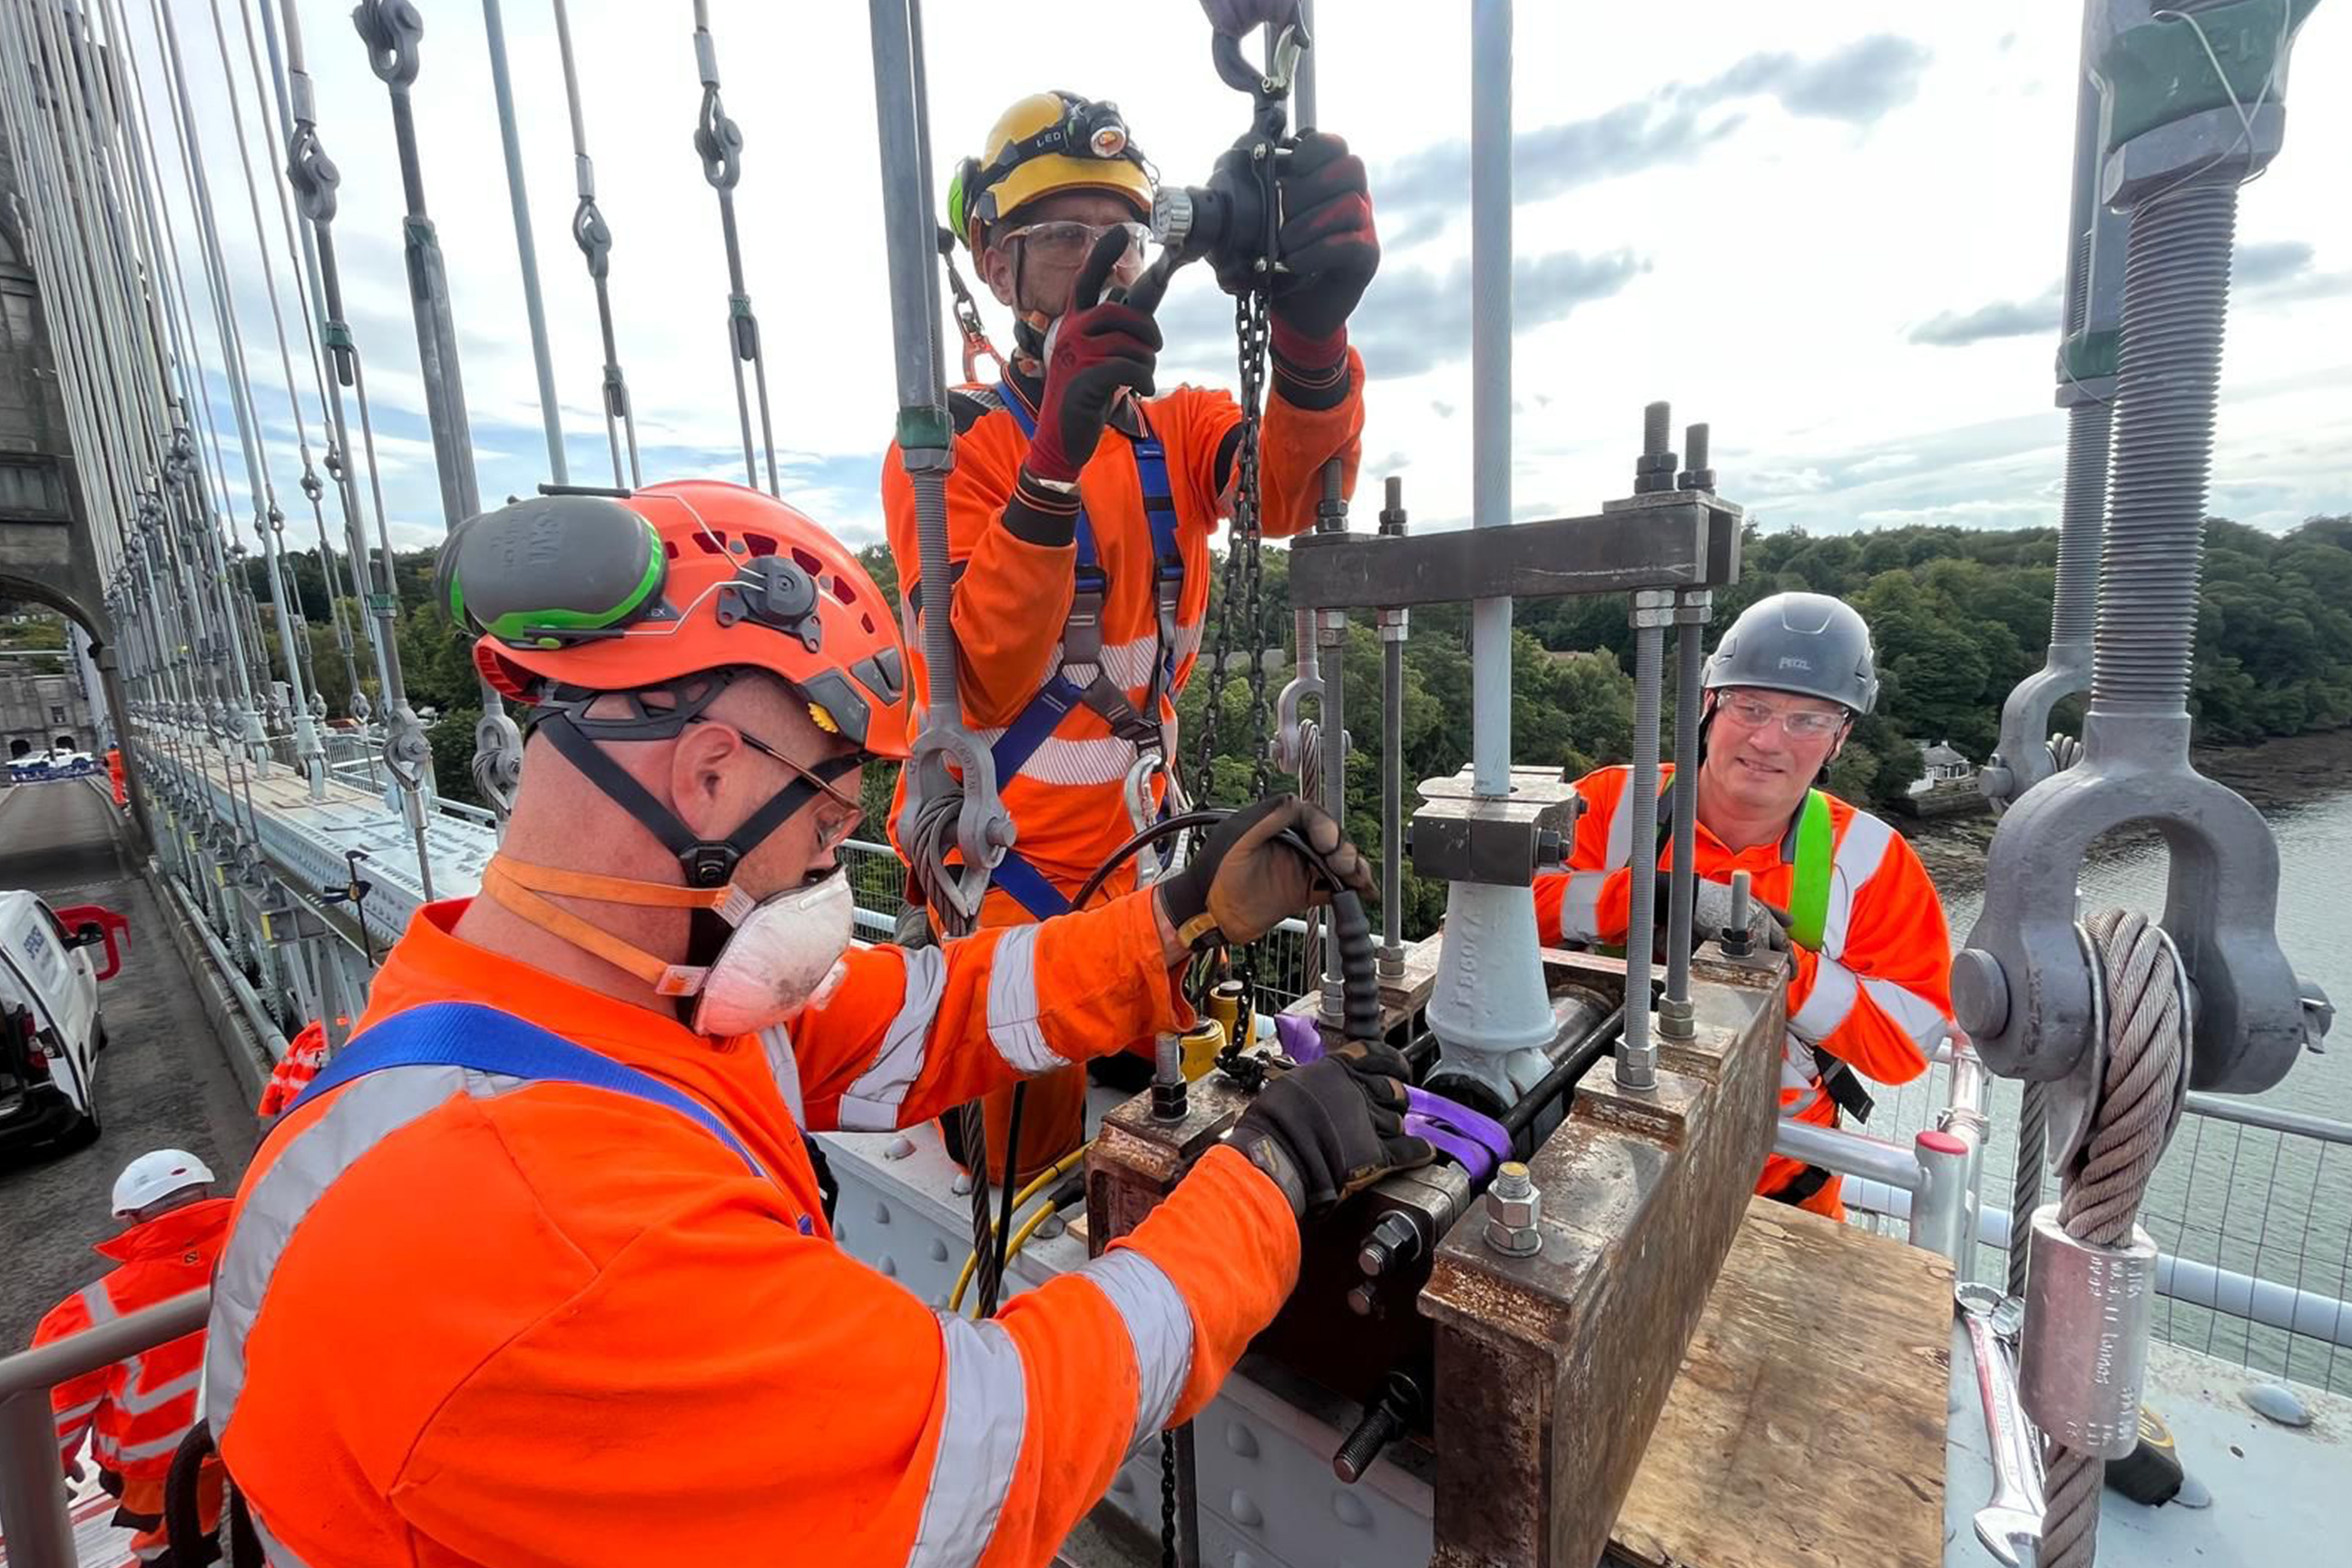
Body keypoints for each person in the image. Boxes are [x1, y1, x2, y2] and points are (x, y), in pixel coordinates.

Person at [201, 483, 1430, 1567]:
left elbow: (930, 1012)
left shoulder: (611, 990)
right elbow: (982, 1455)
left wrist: (1171, 921)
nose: (828, 867)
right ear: (712, 777)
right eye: (825, 817)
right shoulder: (545, 1227)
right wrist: (1267, 1180)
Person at [885, 89, 1379, 1182]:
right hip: (1004, 879)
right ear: (994, 263)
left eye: (1121, 234)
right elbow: (983, 674)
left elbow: (1292, 492)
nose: (1101, 263)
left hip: (1139, 857)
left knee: (1171, 1124)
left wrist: (1311, 340)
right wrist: (1048, 466)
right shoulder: (955, 449)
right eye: (1062, 237)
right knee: (1022, 1180)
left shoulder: (1177, 430)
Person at [1533, 593, 1954, 1218]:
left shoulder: (1868, 861)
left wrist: (1787, 971)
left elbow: (1909, 1042)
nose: (1768, 740)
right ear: (1710, 704)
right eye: (1750, 706)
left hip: (1772, 1192)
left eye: (1807, 720)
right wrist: (1652, 895)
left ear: (1840, 737)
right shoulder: (1618, 803)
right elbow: (1511, 913)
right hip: (1592, 1157)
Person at [34, 1150, 230, 1564]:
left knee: (171, 1549)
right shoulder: (269, 1241)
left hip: (166, 1468)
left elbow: (52, 1416)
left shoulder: (88, 1311)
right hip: (271, 1429)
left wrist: (44, 1472)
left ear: (131, 1218)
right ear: (207, 1192)